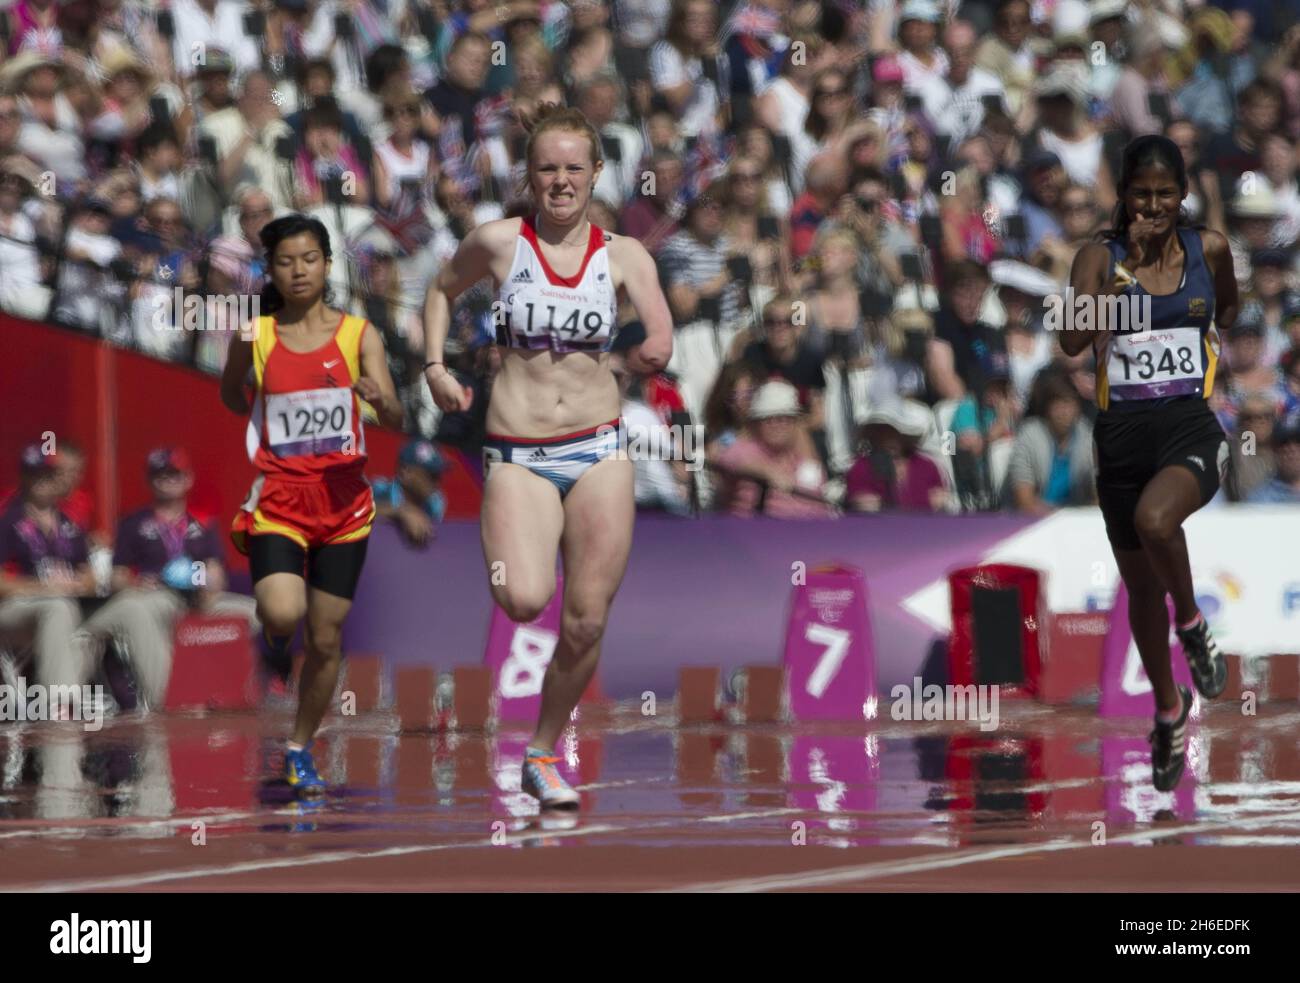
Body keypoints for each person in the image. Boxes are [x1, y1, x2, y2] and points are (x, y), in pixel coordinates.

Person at [420, 104, 672, 810]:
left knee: (588, 617)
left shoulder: (625, 254)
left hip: (598, 447)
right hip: (519, 451)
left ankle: (542, 749)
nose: (560, 181)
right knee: (524, 596)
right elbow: (439, 291)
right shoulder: (500, 244)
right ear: (529, 177)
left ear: (596, 173)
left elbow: (660, 330)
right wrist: (435, 366)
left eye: (573, 168)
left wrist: (649, 349)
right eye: (547, 169)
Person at [1063, 134, 1238, 792]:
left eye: (1166, 193)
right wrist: (1118, 279)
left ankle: (1192, 625)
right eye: (1142, 193)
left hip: (1190, 426)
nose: (1154, 205)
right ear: (1123, 196)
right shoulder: (1098, 256)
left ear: (1183, 195)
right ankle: (1168, 708)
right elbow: (1072, 337)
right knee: (1139, 592)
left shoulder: (1209, 248)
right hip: (1121, 437)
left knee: (1158, 520)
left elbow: (1228, 307)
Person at [220, 214, 404, 797]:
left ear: (327, 264)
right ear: (270, 270)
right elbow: (229, 393)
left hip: (345, 507)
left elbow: (396, 415)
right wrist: (250, 391)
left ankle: (300, 746)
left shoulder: (359, 335)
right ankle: (275, 640)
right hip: (280, 500)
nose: (298, 271)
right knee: (280, 611)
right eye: (284, 262)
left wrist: (379, 398)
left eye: (309, 259)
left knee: (326, 640)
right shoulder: (256, 335)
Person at [77, 448, 259, 708]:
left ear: (188, 479)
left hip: (197, 598)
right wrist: (136, 582)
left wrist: (205, 583)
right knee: (144, 610)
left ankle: (248, 693)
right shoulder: (134, 523)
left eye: (174, 475)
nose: (167, 481)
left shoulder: (202, 523)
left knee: (254, 613)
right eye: (160, 476)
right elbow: (117, 576)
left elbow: (216, 572)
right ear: (149, 481)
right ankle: (170, 701)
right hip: (156, 596)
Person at [0, 444, 95, 702]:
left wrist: (78, 583)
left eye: (48, 475)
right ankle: (59, 705)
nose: (42, 481)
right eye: (35, 474)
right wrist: (44, 587)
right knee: (58, 608)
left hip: (66, 604)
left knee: (99, 620)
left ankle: (160, 702)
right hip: (14, 610)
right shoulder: (7, 520)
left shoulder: (69, 523)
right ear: (23, 478)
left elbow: (89, 575)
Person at [372, 438, 448, 548]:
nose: (438, 483)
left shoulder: (435, 504)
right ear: (405, 472)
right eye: (432, 475)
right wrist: (400, 511)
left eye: (439, 475)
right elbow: (352, 513)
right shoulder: (379, 490)